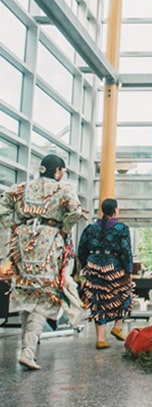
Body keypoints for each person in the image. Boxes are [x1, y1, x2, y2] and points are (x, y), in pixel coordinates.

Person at [0, 154, 85, 370]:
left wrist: (16, 226)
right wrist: (62, 229)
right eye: (62, 171)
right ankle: (28, 352)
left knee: (26, 291)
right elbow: (75, 211)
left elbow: (3, 206)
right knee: (44, 294)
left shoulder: (21, 187)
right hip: (48, 242)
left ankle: (26, 347)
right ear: (57, 171)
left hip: (23, 242)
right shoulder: (63, 189)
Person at [78, 198, 134, 349]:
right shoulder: (121, 228)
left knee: (98, 300)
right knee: (124, 294)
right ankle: (117, 326)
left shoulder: (90, 228)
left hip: (94, 267)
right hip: (114, 268)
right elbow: (126, 250)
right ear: (115, 210)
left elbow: (81, 249)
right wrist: (129, 269)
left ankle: (101, 338)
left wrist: (86, 265)